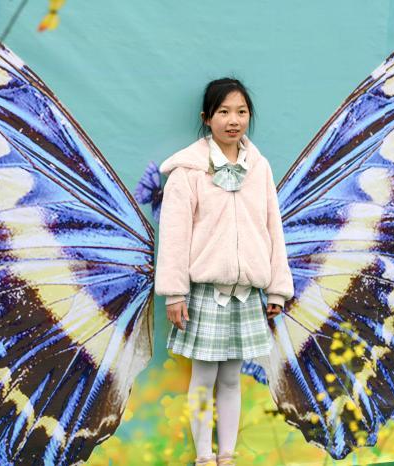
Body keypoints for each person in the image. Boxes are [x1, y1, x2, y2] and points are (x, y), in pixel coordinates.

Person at [155, 77, 294, 466]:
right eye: (223, 112)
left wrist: (278, 290)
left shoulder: (260, 168)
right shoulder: (189, 172)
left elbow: (273, 227)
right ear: (207, 118)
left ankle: (227, 456)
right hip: (204, 293)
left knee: (232, 380)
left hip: (247, 294)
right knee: (203, 379)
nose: (233, 120)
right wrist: (175, 292)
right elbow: (175, 234)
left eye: (241, 112)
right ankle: (204, 456)